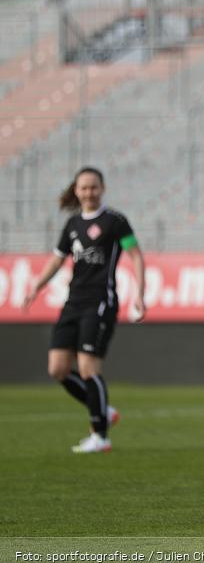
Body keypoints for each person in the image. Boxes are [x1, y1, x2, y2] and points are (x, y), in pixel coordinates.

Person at [23, 167, 146, 453]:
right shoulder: (73, 224)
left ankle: (100, 436)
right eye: (83, 188)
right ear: (76, 191)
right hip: (73, 303)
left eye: (93, 187)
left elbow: (136, 255)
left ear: (102, 188)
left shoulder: (114, 221)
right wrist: (35, 287)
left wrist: (139, 293)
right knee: (58, 369)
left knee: (89, 369)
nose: (88, 192)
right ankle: (104, 410)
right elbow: (56, 261)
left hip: (100, 302)